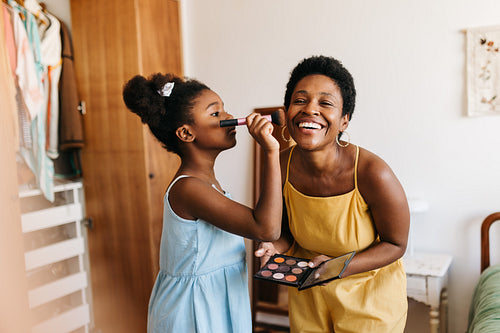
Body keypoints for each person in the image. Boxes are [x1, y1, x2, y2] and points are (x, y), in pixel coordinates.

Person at [255, 55, 410, 332]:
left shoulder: (373, 172)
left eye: (325, 103)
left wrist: (339, 267)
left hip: (368, 300)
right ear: (287, 111)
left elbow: (395, 244)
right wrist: (274, 246)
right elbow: (287, 231)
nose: (310, 110)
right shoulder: (280, 164)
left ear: (344, 121)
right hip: (309, 295)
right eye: (300, 101)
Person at [122, 73, 282, 333]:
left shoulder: (208, 184)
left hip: (217, 302)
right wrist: (271, 151)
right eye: (215, 113)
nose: (228, 116)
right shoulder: (189, 188)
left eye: (223, 108)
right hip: (193, 312)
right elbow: (266, 228)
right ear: (186, 133)